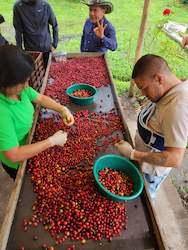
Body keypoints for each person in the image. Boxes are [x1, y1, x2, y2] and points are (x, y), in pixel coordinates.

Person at [115, 54, 188, 199]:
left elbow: (174, 158)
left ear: (159, 79)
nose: (142, 94)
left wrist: (133, 154)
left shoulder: (177, 108)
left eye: (144, 88)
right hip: (143, 156)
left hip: (151, 170)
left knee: (144, 196)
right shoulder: (171, 89)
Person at [0, 45, 74, 180]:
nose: (27, 84)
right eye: (23, 81)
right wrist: (52, 141)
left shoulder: (22, 89)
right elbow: (14, 154)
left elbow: (40, 98)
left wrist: (61, 108)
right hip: (19, 162)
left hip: (32, 140)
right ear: (6, 83)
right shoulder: (2, 112)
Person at [13, 0, 58, 66]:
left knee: (46, 70)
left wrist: (55, 44)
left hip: (46, 47)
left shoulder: (45, 5)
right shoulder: (18, 6)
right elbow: (18, 30)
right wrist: (20, 49)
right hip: (30, 49)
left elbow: (55, 25)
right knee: (35, 72)